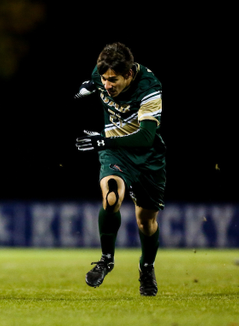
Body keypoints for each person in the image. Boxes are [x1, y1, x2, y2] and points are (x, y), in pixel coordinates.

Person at [74, 42, 165, 296]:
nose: (107, 85)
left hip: (147, 156)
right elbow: (95, 80)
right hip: (115, 152)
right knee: (111, 196)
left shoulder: (150, 88)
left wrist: (103, 140)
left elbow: (146, 138)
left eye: (112, 80)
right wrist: (89, 84)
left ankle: (146, 268)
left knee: (146, 221)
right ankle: (106, 259)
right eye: (103, 79)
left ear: (129, 74)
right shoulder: (102, 73)